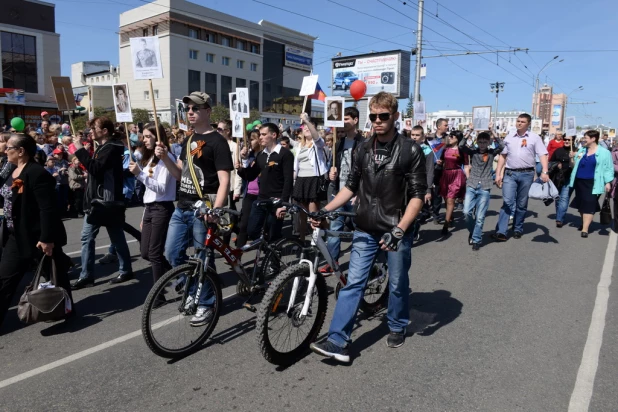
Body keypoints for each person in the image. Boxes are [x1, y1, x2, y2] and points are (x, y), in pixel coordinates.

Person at [309, 92, 427, 362]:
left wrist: (400, 229)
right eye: (373, 116)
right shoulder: (362, 148)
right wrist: (326, 209)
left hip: (396, 229)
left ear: (395, 116)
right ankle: (338, 340)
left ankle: (397, 324)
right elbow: (350, 187)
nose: (377, 121)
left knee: (397, 283)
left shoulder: (410, 150)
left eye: (383, 116)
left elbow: (418, 195)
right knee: (353, 284)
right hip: (365, 227)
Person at [155, 91, 232, 326]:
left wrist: (215, 211)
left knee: (203, 257)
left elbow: (224, 181)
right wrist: (165, 158)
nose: (190, 112)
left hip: (205, 207)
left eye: (195, 108)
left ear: (207, 112)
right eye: (188, 109)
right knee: (171, 253)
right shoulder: (188, 140)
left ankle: (207, 303)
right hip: (183, 205)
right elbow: (180, 174)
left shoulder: (218, 142)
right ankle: (191, 293)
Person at [0, 133, 74, 329]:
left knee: (56, 275)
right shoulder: (11, 170)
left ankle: (66, 308)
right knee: (4, 279)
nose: (5, 151)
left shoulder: (37, 173)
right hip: (16, 236)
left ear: (21, 151)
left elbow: (47, 209)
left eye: (9, 148)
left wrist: (47, 239)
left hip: (38, 237)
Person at [71, 117, 133, 289]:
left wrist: (79, 150)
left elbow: (95, 168)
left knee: (89, 236)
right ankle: (124, 269)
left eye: (94, 128)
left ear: (104, 131)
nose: (91, 131)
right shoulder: (105, 147)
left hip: (104, 200)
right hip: (102, 199)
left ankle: (87, 275)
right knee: (113, 235)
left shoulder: (111, 148)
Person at [128, 123, 176, 293]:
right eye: (144, 136)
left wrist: (139, 174)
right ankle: (176, 275)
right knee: (145, 253)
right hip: (150, 208)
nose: (144, 139)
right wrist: (143, 215)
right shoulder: (149, 159)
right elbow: (149, 192)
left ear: (158, 137)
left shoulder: (166, 157)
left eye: (148, 136)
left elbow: (161, 188)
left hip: (162, 208)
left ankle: (159, 294)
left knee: (155, 253)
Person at [493, 114, 549, 241]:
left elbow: (543, 154)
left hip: (527, 174)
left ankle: (518, 228)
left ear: (528, 124)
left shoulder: (534, 138)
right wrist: (498, 173)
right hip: (510, 173)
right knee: (507, 202)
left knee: (522, 204)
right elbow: (503, 156)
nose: (519, 123)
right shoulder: (509, 137)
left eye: (522, 122)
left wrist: (544, 171)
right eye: (518, 121)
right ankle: (501, 231)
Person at [322, 107, 363, 273]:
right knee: (334, 230)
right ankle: (332, 262)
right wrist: (330, 174)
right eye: (342, 119)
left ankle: (361, 263)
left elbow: (367, 172)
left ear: (355, 120)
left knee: (360, 230)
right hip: (338, 193)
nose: (343, 122)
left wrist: (360, 193)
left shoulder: (364, 144)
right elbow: (333, 166)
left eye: (346, 119)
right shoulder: (338, 144)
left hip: (356, 196)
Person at [237, 123, 294, 242]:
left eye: (263, 134)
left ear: (274, 135)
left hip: (277, 200)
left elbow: (288, 180)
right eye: (260, 135)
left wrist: (283, 204)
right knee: (252, 230)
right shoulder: (261, 155)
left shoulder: (285, 154)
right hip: (261, 199)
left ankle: (273, 254)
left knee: (273, 234)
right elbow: (250, 175)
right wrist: (244, 162)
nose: (260, 137)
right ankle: (266, 246)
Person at [460, 132, 504, 250]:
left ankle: (476, 239)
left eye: (485, 142)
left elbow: (502, 146)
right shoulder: (473, 151)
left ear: (489, 142)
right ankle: (474, 231)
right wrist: (469, 131)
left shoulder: (491, 152)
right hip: (472, 184)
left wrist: (493, 131)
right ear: (477, 142)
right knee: (466, 212)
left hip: (485, 186)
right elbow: (461, 146)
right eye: (480, 142)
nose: (483, 144)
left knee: (480, 216)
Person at [569, 130, 613, 238]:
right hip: (579, 181)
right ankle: (584, 222)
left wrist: (608, 182)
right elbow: (573, 165)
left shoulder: (604, 152)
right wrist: (571, 157)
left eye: (586, 138)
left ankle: (585, 229)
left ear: (593, 139)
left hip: (593, 182)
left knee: (589, 203)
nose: (584, 140)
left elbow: (608, 168)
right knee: (581, 204)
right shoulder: (581, 150)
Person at [291, 113, 327, 242]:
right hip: (301, 180)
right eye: (304, 127)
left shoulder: (318, 144)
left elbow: (316, 137)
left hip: (313, 179)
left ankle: (317, 241)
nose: (306, 128)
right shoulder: (299, 146)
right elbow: (297, 166)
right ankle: (302, 241)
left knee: (313, 214)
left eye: (309, 127)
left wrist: (307, 120)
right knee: (301, 214)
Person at [437, 130, 467, 235]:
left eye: (452, 137)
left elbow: (467, 165)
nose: (449, 138)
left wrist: (468, 178)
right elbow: (442, 160)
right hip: (445, 175)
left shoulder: (462, 150)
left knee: (450, 199)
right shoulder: (445, 149)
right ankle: (450, 216)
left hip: (457, 175)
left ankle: (446, 224)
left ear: (457, 139)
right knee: (446, 199)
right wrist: (440, 162)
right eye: (449, 136)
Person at [217, 120, 242, 245]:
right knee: (221, 216)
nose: (218, 131)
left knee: (228, 216)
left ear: (227, 131)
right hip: (216, 187)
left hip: (230, 187)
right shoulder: (215, 144)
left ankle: (228, 244)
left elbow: (237, 171)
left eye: (220, 129)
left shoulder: (234, 146)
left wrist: (237, 190)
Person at [235, 130, 261, 248]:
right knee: (243, 225)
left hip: (262, 195)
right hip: (249, 193)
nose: (249, 142)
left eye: (252, 139)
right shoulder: (249, 155)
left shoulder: (264, 155)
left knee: (257, 227)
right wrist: (241, 167)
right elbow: (247, 176)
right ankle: (237, 256)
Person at [409, 125, 434, 239]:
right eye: (413, 135)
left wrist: (428, 189)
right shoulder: (406, 148)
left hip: (420, 184)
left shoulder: (428, 151)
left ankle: (414, 227)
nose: (414, 137)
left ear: (422, 137)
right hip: (407, 183)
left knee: (416, 210)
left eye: (417, 135)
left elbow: (429, 171)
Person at [549, 135, 575, 228]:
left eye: (569, 140)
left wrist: (572, 158)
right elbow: (551, 162)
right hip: (558, 178)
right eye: (565, 139)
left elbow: (576, 166)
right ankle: (559, 214)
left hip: (569, 178)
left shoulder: (576, 152)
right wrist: (557, 164)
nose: (567, 141)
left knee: (564, 198)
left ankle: (559, 219)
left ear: (573, 141)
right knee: (558, 198)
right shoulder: (558, 151)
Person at [427, 118, 448, 223]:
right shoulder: (429, 138)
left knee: (438, 192)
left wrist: (444, 161)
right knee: (428, 190)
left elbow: (454, 153)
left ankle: (436, 214)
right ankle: (426, 211)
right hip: (430, 168)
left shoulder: (448, 139)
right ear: (439, 126)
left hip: (442, 169)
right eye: (445, 125)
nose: (447, 127)